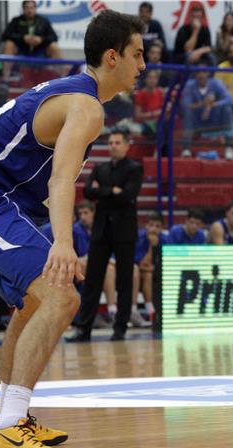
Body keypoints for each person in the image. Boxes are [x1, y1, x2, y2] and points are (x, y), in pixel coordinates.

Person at [0, 9, 145, 448]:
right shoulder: (87, 106)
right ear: (112, 56)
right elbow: (63, 182)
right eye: (138, 55)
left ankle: (9, 418)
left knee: (37, 300)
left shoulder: (75, 95)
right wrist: (62, 243)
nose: (144, 65)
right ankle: (8, 426)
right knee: (63, 296)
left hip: (0, 198)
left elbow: (47, 182)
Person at [67, 129, 143, 343]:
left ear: (127, 145)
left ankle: (120, 328)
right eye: (110, 143)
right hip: (101, 231)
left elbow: (129, 194)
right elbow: (88, 192)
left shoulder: (134, 168)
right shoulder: (100, 167)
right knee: (92, 281)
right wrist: (113, 191)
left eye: (117, 142)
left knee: (124, 281)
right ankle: (84, 329)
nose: (113, 146)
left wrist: (104, 191)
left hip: (125, 232)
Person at [40, 200, 118, 328]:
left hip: (74, 267)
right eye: (80, 213)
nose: (82, 217)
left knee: (114, 269)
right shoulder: (65, 230)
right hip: (51, 268)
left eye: (85, 213)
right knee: (94, 268)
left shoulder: (96, 228)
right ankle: (94, 313)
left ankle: (110, 311)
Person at [180, 64, 233, 160]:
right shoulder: (190, 85)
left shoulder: (216, 83)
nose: (201, 75)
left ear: (208, 74)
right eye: (198, 72)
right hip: (197, 121)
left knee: (227, 109)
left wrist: (213, 104)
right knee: (188, 112)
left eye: (204, 72)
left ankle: (229, 148)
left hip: (214, 119)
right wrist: (204, 104)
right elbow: (186, 104)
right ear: (195, 75)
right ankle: (186, 149)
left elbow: (229, 99)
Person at [1, 1, 62, 79]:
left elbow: (54, 37)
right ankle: (5, 78)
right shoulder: (16, 20)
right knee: (9, 44)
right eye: (27, 8)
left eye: (31, 8)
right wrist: (23, 38)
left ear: (35, 9)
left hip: (40, 52)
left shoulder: (43, 21)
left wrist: (41, 39)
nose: (29, 10)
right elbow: (5, 35)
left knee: (54, 46)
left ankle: (61, 78)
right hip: (21, 52)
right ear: (23, 9)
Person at [132, 211, 169, 324]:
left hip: (155, 274)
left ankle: (152, 311)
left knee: (149, 274)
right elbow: (142, 265)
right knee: (141, 272)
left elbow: (166, 264)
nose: (153, 229)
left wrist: (152, 268)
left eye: (157, 226)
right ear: (146, 225)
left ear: (162, 228)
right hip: (137, 274)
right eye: (151, 225)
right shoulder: (139, 237)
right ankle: (138, 310)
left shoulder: (165, 240)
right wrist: (152, 247)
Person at [134, 70, 165, 138]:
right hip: (145, 124)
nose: (152, 80)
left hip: (159, 123)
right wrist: (155, 113)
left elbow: (164, 111)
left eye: (155, 78)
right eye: (149, 77)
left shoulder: (160, 92)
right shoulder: (140, 94)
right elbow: (138, 115)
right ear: (145, 79)